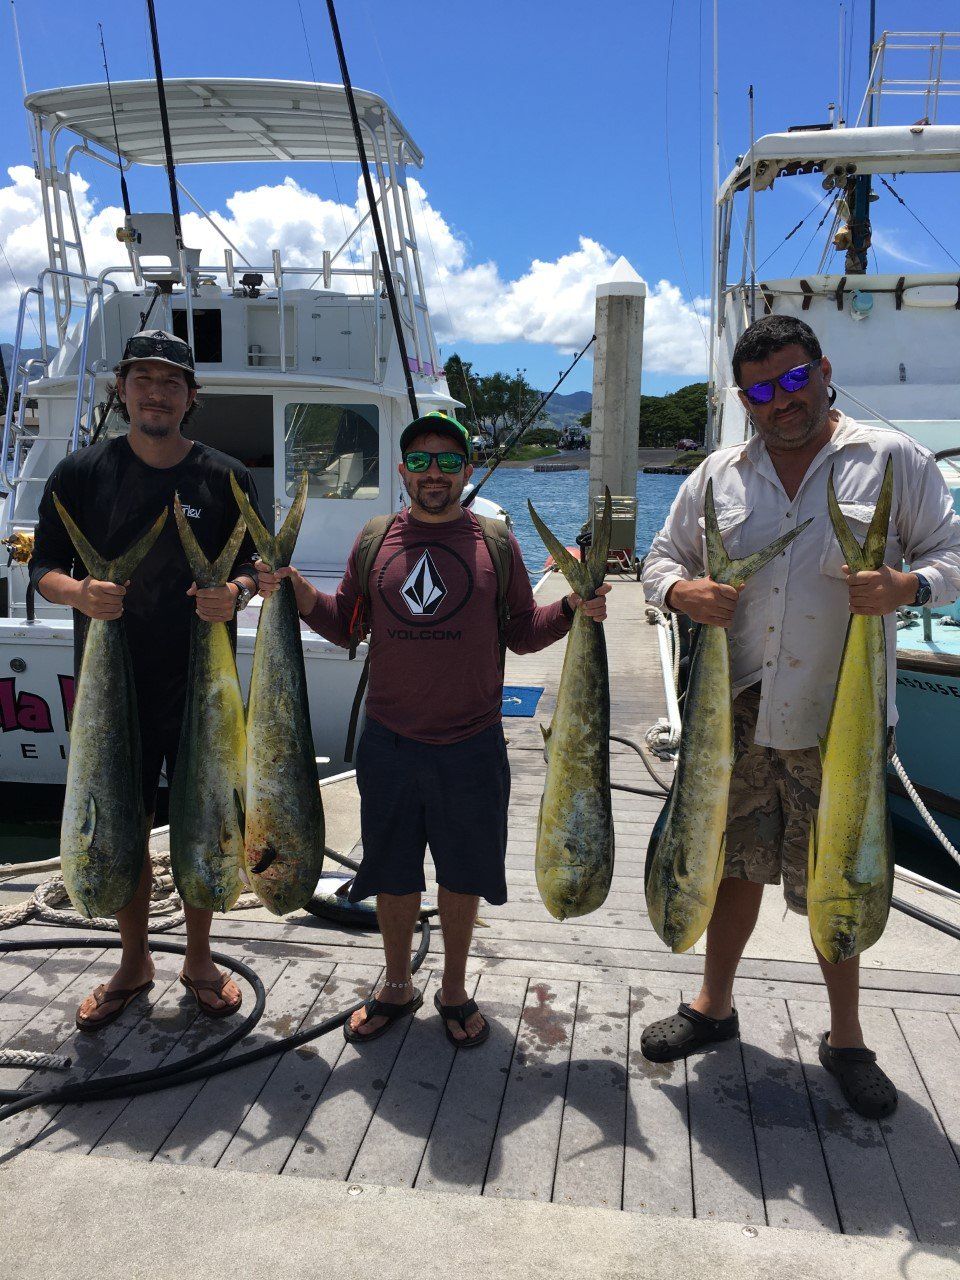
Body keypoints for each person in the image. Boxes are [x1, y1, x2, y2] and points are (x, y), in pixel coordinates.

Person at [641, 314, 960, 1117]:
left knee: (836, 878)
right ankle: (714, 1007)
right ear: (743, 399)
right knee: (732, 864)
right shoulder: (717, 474)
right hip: (739, 709)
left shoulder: (890, 459)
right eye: (759, 391)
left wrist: (907, 589)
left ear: (822, 371)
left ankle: (846, 1038)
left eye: (791, 381)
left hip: (838, 717)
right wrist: (683, 592)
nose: (779, 403)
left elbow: (953, 556)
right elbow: (658, 561)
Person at [257, 411, 610, 1047]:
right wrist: (294, 589)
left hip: (472, 743)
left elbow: (523, 631)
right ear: (403, 473)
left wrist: (572, 608)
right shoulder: (375, 539)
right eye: (419, 461)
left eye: (448, 460)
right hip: (390, 741)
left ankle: (452, 986)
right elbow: (346, 624)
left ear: (467, 469)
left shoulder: (496, 543)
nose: (434, 473)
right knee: (392, 875)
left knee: (461, 874)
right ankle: (396, 983)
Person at [31, 330, 263, 1029]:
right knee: (122, 821)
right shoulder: (78, 473)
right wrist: (80, 595)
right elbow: (43, 569)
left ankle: (198, 959)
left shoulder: (226, 477)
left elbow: (259, 567)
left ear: (191, 397)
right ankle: (135, 963)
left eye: (171, 382)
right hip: (115, 688)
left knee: (205, 819)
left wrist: (240, 593)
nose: (156, 392)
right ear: (121, 389)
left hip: (201, 685)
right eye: (143, 379)